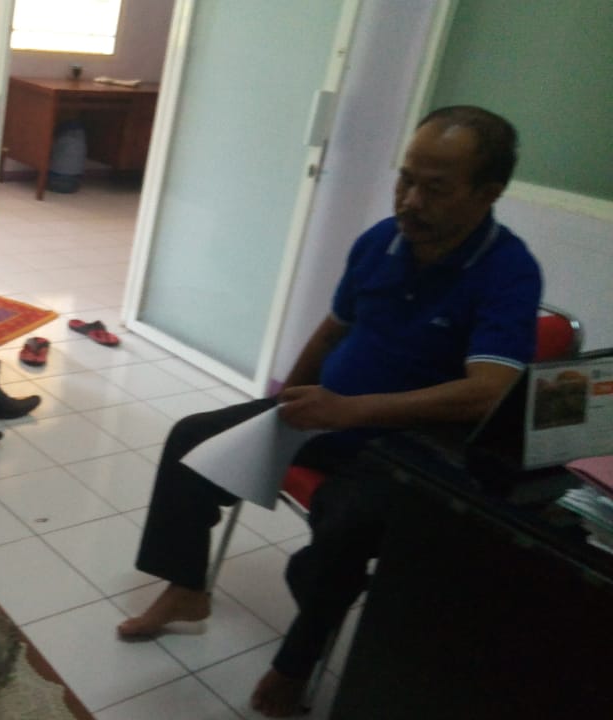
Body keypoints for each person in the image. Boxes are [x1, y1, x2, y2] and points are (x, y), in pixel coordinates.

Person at [117, 106, 541, 717]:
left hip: (407, 450)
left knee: (345, 530)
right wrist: (281, 404)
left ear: (488, 193)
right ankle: (186, 588)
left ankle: (298, 662)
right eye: (405, 179)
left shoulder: (509, 271)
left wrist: (351, 411)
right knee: (193, 442)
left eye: (435, 188)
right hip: (329, 414)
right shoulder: (381, 242)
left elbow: (489, 391)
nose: (411, 201)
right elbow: (330, 331)